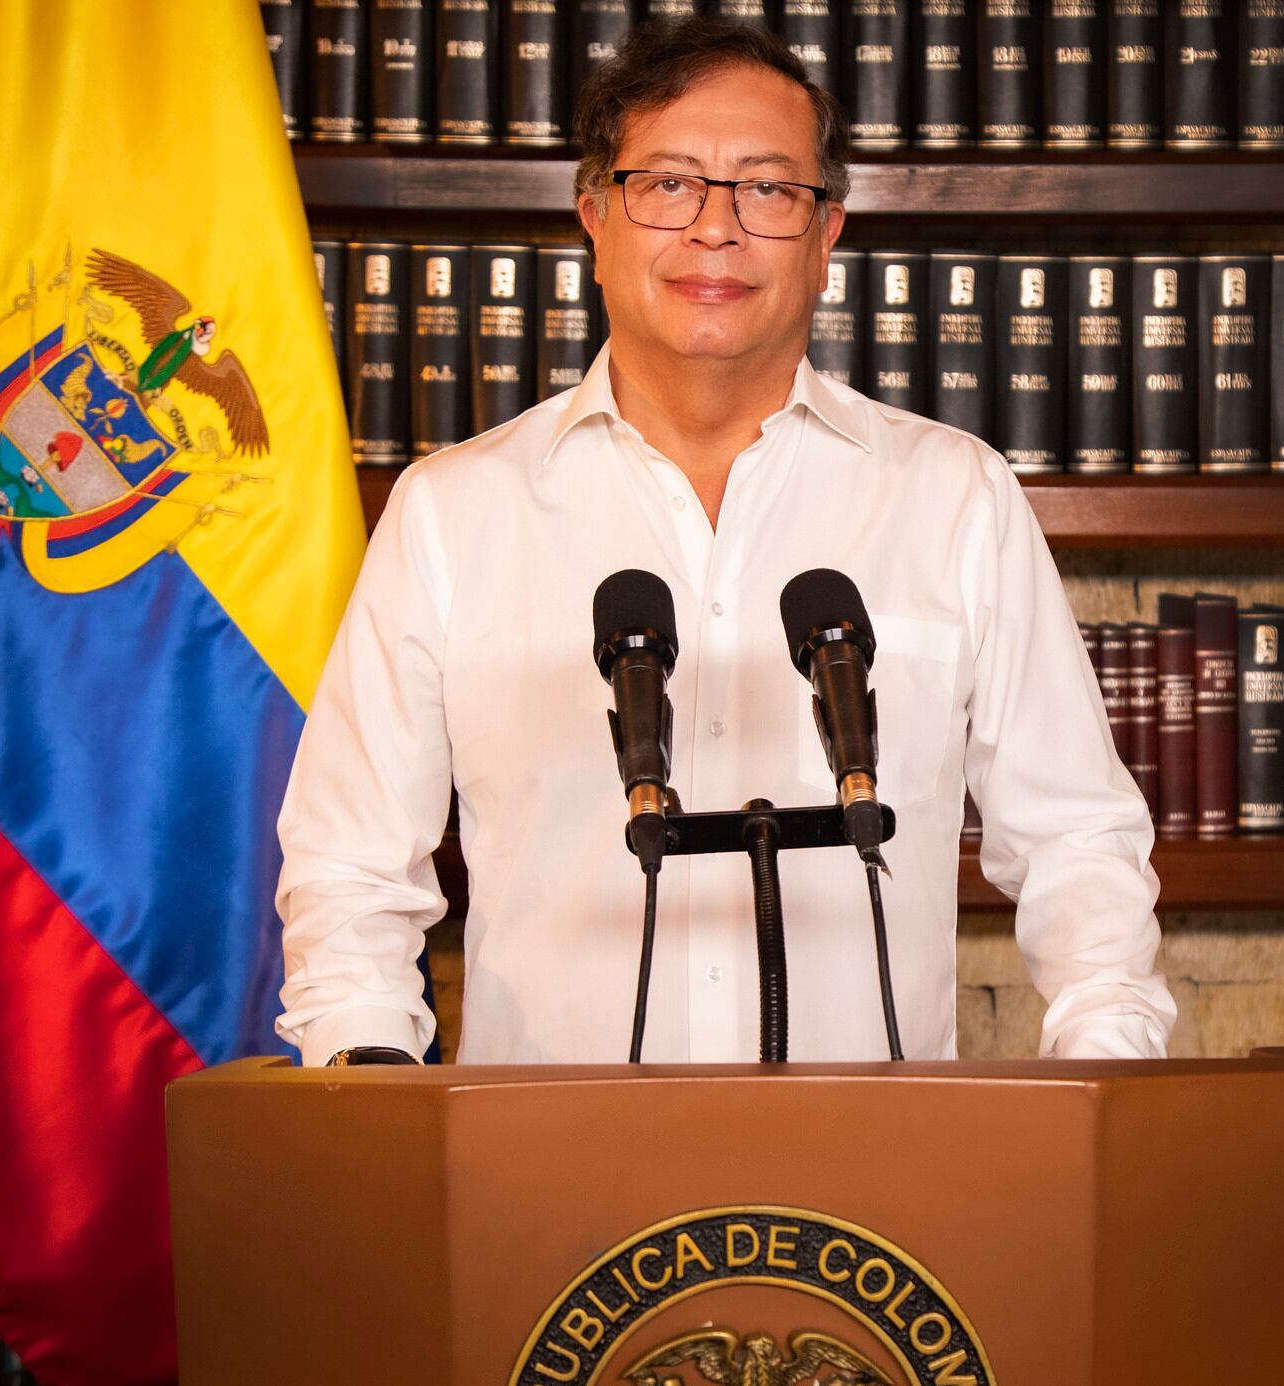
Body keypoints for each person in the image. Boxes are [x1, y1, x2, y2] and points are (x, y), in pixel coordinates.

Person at [274, 18, 1176, 1067]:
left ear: (827, 232)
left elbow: (1076, 841)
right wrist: (374, 1094)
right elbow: (348, 873)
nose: (715, 229)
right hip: (543, 1181)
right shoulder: (450, 514)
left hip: (868, 1187)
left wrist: (1109, 1083)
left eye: (766, 189)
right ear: (593, 218)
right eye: (666, 184)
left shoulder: (951, 498)